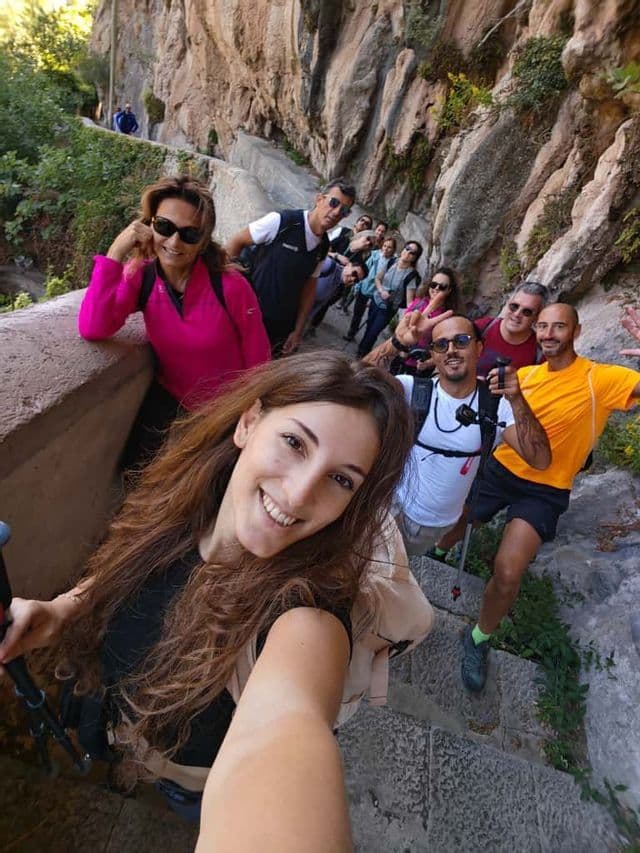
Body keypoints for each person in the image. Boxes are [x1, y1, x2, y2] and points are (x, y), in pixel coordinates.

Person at [0, 353, 415, 845]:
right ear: (248, 423)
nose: (301, 494)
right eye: (294, 443)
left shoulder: (307, 619)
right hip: (106, 710)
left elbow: (287, 724)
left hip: (183, 780)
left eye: (342, 479)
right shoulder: (185, 503)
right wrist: (63, 608)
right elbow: (121, 571)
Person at [459, 303, 640, 693]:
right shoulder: (524, 375)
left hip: (546, 488)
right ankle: (441, 552)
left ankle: (477, 638)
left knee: (508, 571)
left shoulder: (600, 378)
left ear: (576, 331)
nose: (548, 333)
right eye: (542, 326)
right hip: (501, 469)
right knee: (455, 524)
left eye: (559, 326)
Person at [78, 175, 271, 467]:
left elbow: (259, 359)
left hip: (222, 412)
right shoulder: (141, 276)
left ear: (203, 240)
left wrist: (248, 413)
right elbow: (94, 327)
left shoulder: (230, 287)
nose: (173, 242)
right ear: (148, 224)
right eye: (164, 227)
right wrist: (116, 252)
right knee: (135, 473)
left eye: (189, 234)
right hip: (169, 398)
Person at [391, 314, 550, 558]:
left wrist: (517, 399)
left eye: (461, 341)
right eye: (441, 345)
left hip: (435, 525)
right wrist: (397, 345)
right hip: (388, 506)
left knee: (388, 575)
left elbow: (539, 459)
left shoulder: (497, 406)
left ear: (479, 348)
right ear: (433, 354)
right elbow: (350, 388)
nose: (451, 350)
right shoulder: (411, 389)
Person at [226, 179, 356, 356]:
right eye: (333, 202)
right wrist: (226, 292)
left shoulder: (323, 245)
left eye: (344, 210)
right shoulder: (283, 221)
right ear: (319, 199)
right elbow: (236, 242)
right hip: (248, 314)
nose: (336, 212)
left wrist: (298, 330)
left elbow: (309, 288)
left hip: (280, 326)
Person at [389, 266, 463, 376]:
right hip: (401, 357)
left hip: (420, 366)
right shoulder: (419, 302)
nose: (436, 288)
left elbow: (446, 348)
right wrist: (401, 346)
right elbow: (401, 327)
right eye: (434, 284)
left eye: (442, 286)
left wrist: (429, 363)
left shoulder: (448, 317)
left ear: (449, 290)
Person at [356, 240, 422, 358]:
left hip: (388, 308)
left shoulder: (411, 275)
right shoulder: (391, 261)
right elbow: (378, 278)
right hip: (376, 300)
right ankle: (362, 349)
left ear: (415, 258)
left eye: (412, 253)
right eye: (407, 248)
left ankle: (362, 354)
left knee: (373, 332)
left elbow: (410, 302)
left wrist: (413, 316)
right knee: (369, 327)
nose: (408, 252)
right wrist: (381, 291)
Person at [474, 280, 549, 377]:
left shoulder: (540, 354)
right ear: (507, 303)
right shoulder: (481, 328)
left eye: (527, 312)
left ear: (537, 317)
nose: (517, 314)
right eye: (514, 306)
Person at [343, 237, 397, 343]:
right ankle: (351, 333)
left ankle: (364, 341)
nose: (386, 249)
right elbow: (364, 270)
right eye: (385, 246)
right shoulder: (374, 254)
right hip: (366, 287)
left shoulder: (394, 262)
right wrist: (357, 286)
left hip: (378, 293)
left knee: (370, 319)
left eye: (389, 247)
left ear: (394, 249)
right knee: (357, 314)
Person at [306, 256, 368, 335]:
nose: (353, 279)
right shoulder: (329, 265)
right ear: (348, 265)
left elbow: (318, 305)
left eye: (356, 280)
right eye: (354, 273)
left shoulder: (338, 284)